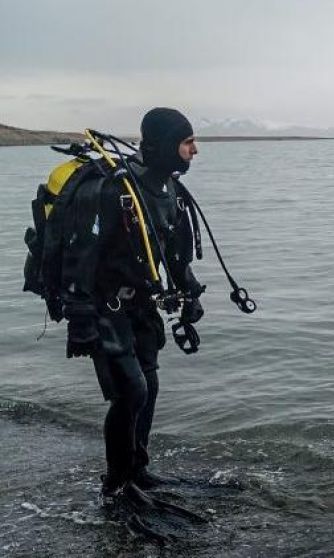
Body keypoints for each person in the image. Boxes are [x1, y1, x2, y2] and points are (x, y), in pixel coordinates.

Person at [59, 108, 205, 500]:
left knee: (150, 384)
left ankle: (138, 470)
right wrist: (80, 322)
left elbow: (176, 256)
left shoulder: (169, 190)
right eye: (187, 142)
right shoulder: (114, 191)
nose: (195, 150)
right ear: (161, 146)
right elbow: (81, 257)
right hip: (103, 306)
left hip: (140, 304)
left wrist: (190, 294)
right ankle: (117, 483)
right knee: (132, 392)